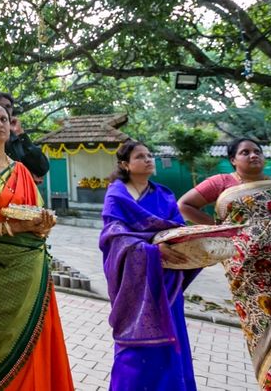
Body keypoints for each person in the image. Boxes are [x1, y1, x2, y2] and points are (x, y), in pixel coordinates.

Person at [178, 138, 271, 390]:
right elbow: (184, 205)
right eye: (244, 152)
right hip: (251, 279)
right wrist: (220, 230)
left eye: (257, 151)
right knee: (266, 329)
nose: (253, 155)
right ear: (233, 160)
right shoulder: (221, 183)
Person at [0, 102, 74, 390]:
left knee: (34, 339)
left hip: (30, 269)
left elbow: (35, 216)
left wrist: (42, 225)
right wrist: (11, 227)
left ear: (10, 126)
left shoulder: (19, 169)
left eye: (3, 119)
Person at [99, 140, 198, 391]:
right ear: (125, 164)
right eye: (140, 156)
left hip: (166, 279)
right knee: (135, 348)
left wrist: (179, 246)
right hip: (134, 281)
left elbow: (178, 231)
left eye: (149, 155)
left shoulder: (164, 195)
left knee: (170, 336)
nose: (148, 159)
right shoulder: (117, 194)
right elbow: (114, 238)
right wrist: (152, 251)